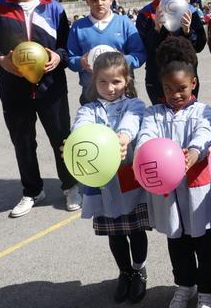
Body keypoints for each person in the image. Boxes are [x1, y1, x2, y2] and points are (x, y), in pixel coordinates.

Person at [0, 0, 81, 217]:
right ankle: (33, 190)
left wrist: (58, 56)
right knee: (23, 141)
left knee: (61, 139)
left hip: (51, 87)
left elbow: (66, 47)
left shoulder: (53, 8)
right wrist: (2, 61)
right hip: (14, 89)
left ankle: (70, 186)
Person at [138, 37, 211, 308]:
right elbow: (146, 137)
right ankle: (184, 285)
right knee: (176, 239)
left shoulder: (203, 110)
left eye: (181, 88)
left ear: (193, 84)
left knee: (203, 240)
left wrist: (193, 150)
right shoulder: (153, 113)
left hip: (196, 187)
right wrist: (146, 150)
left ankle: (208, 289)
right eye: (168, 89)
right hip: (168, 189)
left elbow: (204, 133)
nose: (175, 94)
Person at [72, 52, 149, 303]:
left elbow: (132, 123)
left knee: (135, 230)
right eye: (103, 82)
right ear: (94, 82)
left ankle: (139, 270)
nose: (110, 88)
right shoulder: (88, 109)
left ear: (126, 80)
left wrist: (124, 138)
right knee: (114, 233)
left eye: (116, 81)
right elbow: (80, 128)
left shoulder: (134, 104)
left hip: (128, 178)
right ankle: (124, 272)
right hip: (102, 181)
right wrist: (74, 143)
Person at [136, 0, 206, 104]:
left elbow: (199, 45)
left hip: (185, 78)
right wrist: (156, 29)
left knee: (187, 119)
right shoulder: (146, 13)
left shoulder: (189, 10)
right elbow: (144, 49)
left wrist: (187, 31)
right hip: (157, 80)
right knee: (161, 120)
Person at [67, 0, 146, 105]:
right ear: (86, 1)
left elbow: (139, 54)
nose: (99, 3)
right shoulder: (78, 27)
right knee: (94, 124)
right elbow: (70, 58)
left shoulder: (124, 23)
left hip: (123, 89)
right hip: (91, 91)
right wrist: (80, 62)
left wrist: (122, 61)